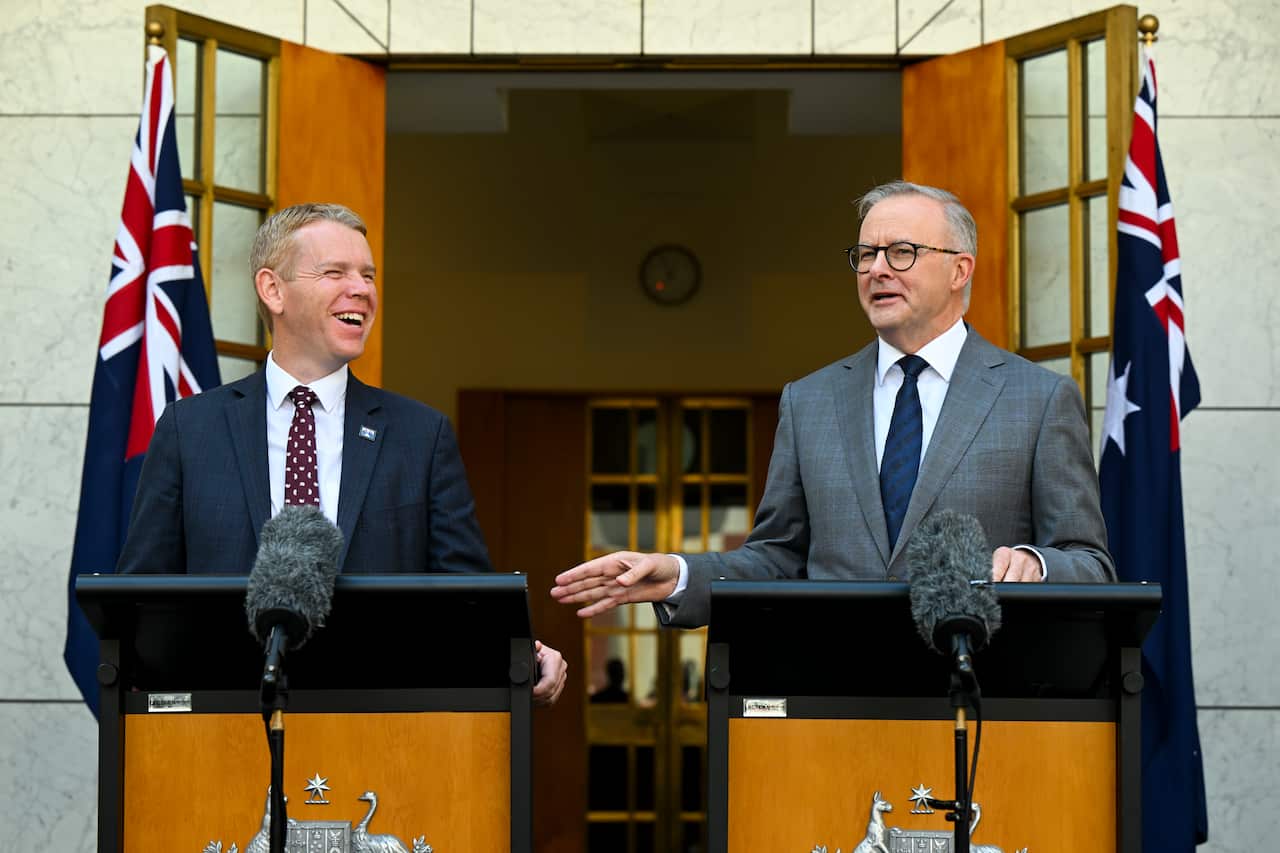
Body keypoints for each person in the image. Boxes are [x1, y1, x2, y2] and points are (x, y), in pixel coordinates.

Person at [552, 180, 1115, 628]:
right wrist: (677, 575)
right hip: (833, 706)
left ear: (959, 270)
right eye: (866, 254)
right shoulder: (810, 401)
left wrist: (1036, 564)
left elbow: (1090, 564)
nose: (876, 269)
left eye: (902, 252)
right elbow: (777, 559)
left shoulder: (1037, 400)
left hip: (979, 703)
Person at [118, 202, 567, 705]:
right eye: (335, 272)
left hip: (376, 727)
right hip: (222, 724)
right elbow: (143, 598)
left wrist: (520, 653)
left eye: (368, 275)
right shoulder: (189, 429)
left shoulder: (421, 435)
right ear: (273, 289)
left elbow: (465, 600)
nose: (362, 290)